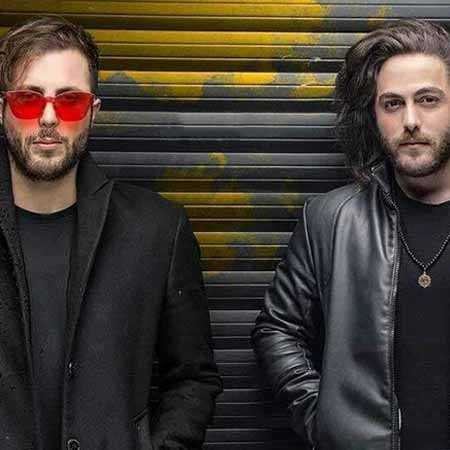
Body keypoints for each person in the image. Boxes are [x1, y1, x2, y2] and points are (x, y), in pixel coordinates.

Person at [0, 16, 221, 450]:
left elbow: (192, 378)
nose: (48, 117)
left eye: (70, 101)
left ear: (93, 112)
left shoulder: (158, 230)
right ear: (3, 108)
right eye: (28, 99)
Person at [252, 19, 450, 450]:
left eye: (428, 99)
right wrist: (324, 419)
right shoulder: (330, 219)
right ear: (374, 116)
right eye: (392, 104)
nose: (410, 120)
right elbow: (277, 329)